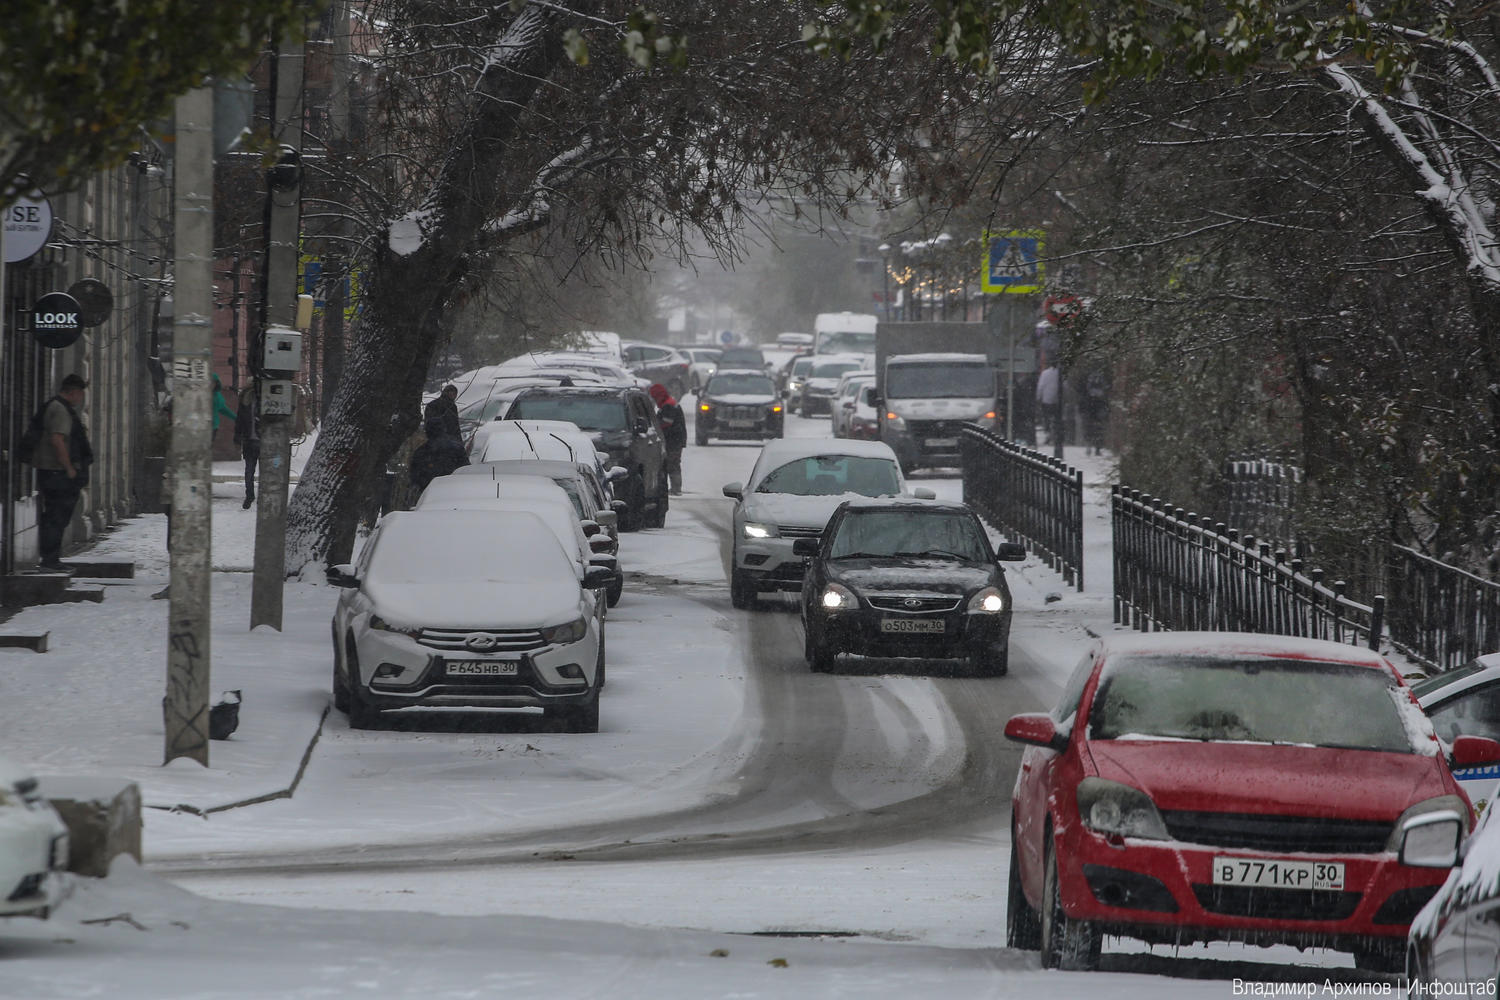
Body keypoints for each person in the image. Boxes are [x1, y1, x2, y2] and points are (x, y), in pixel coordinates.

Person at [33, 373, 94, 572]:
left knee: (57, 516)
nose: (81, 399)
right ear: (74, 393)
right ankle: (50, 560)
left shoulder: (58, 407)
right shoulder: (59, 409)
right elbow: (58, 440)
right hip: (56, 473)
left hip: (54, 472)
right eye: (81, 394)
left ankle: (52, 559)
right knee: (56, 517)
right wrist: (68, 468)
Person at [407, 417, 469, 495]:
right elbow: (466, 470)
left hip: (430, 493)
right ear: (444, 430)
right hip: (455, 490)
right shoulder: (457, 448)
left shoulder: (421, 452)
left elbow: (415, 478)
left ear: (427, 432)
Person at [648, 382, 686, 496]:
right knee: (674, 463)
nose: (655, 401)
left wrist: (655, 427)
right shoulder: (669, 403)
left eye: (655, 397)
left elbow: (666, 423)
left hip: (674, 441)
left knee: (672, 464)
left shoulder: (668, 406)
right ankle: (676, 487)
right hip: (676, 440)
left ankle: (676, 488)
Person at [234, 390, 261, 509]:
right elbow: (239, 420)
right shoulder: (245, 403)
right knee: (249, 470)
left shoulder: (265, 400)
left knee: (264, 471)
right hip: (249, 442)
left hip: (262, 442)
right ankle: (249, 495)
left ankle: (258, 496)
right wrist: (237, 436)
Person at [1035, 364, 1061, 448]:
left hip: (1046, 400)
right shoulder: (1059, 373)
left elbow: (1040, 386)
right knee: (1056, 419)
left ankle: (1048, 434)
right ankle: (1055, 435)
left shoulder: (1045, 373)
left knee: (1047, 418)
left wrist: (1038, 397)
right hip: (1057, 400)